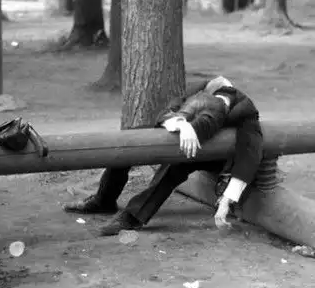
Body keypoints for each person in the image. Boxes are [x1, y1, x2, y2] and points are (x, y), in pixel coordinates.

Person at [63, 76, 264, 236]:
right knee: (129, 143)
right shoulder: (198, 89)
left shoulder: (245, 110)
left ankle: (132, 217)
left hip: (215, 158)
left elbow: (249, 155)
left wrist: (227, 200)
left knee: (174, 168)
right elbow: (165, 114)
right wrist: (182, 124)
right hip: (183, 138)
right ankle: (104, 200)